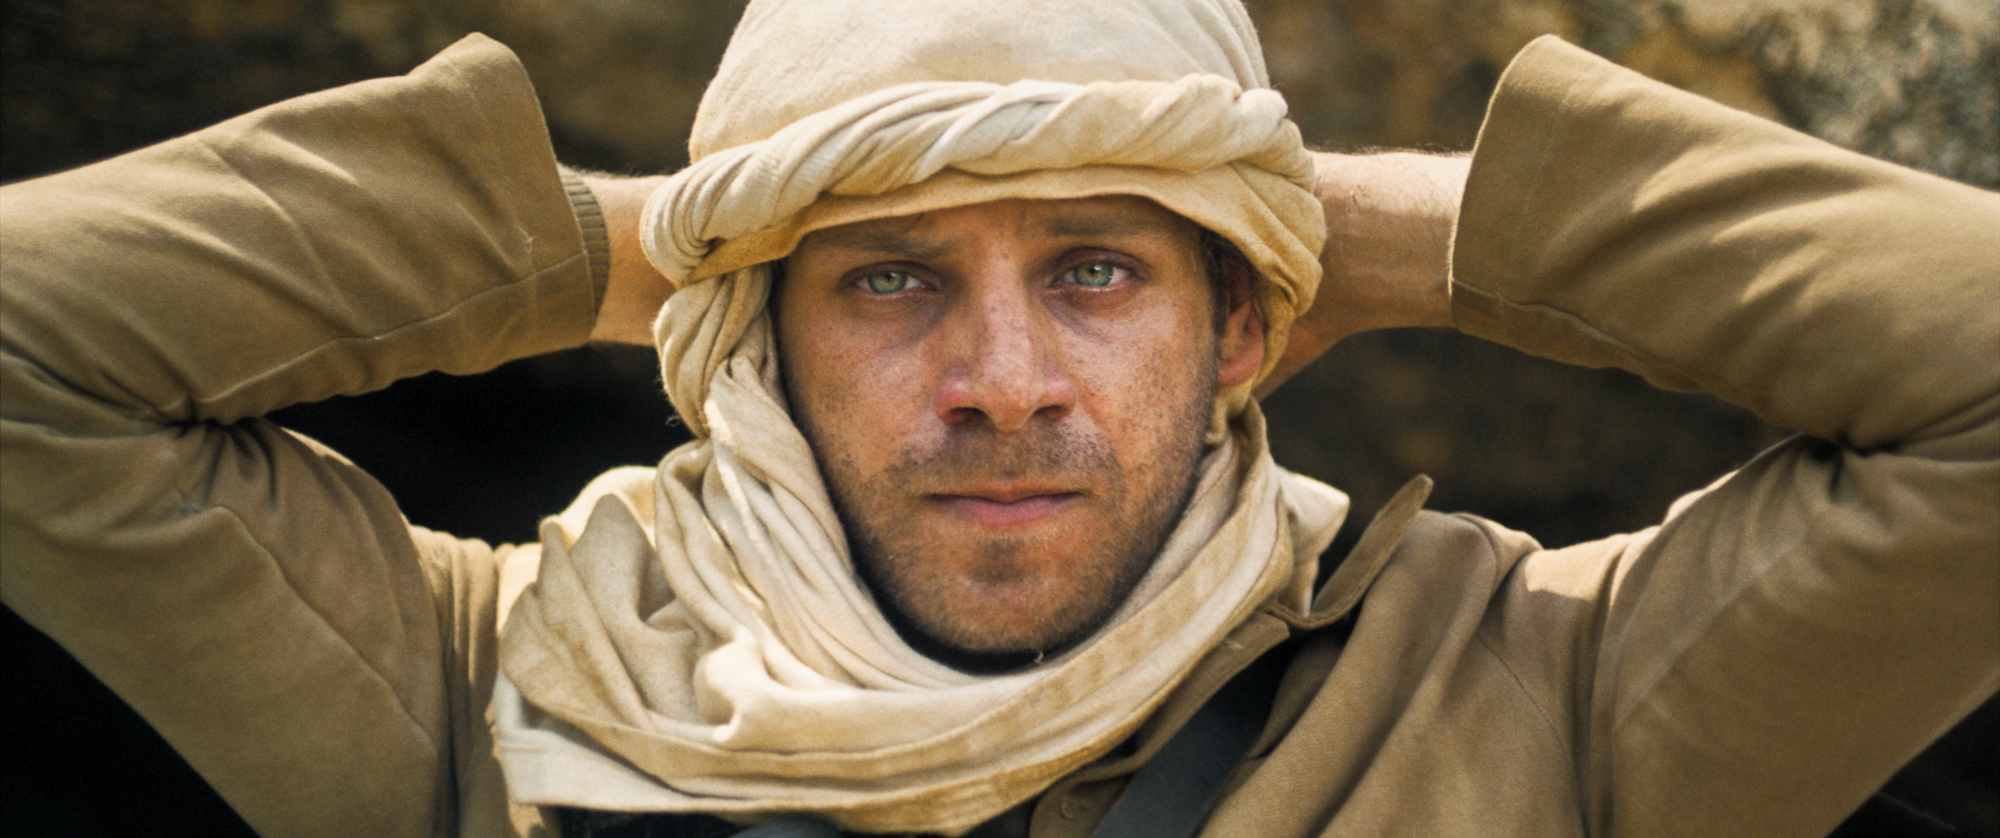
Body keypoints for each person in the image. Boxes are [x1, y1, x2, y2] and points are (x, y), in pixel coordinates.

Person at [2, 0, 1994, 836]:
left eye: (1099, 270)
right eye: (884, 278)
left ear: (1240, 331)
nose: (1005, 377)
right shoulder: (483, 682)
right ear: (757, 342)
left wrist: (1364, 230)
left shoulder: (1553, 694)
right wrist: (644, 243)